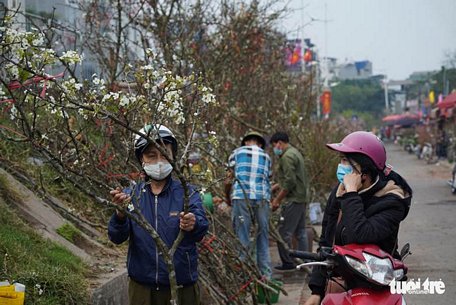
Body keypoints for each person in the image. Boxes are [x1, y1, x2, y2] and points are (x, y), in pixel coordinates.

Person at [304, 131, 412, 305]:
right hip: (342, 282)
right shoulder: (340, 193)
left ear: (365, 171)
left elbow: (360, 234)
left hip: (379, 284)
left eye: (347, 161)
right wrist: (316, 291)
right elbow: (326, 241)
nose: (341, 166)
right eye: (341, 160)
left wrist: (352, 194)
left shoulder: (392, 201)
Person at [108, 124, 209, 305]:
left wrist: (193, 223)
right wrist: (120, 215)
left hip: (182, 287)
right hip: (142, 289)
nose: (159, 161)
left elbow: (201, 229)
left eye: (164, 154)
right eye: (151, 156)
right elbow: (116, 237)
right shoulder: (132, 196)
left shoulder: (187, 193)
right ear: (141, 159)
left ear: (173, 155)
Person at [227, 131, 272, 278]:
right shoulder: (267, 157)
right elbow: (268, 179)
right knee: (263, 237)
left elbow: (228, 179)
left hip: (241, 196)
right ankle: (265, 276)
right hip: (262, 198)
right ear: (260, 144)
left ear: (246, 142)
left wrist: (227, 196)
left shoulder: (236, 153)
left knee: (242, 236)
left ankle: (244, 278)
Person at [269, 131, 308, 271]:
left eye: (275, 145)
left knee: (283, 232)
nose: (275, 149)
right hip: (301, 197)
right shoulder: (295, 152)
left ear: (279, 143)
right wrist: (275, 187)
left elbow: (290, 181)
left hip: (293, 199)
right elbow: (291, 178)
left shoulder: (287, 157)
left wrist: (277, 200)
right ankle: (306, 261)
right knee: (301, 232)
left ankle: (288, 262)